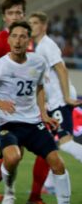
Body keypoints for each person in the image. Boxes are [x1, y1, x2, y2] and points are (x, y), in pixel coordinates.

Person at [0, 21, 82, 204]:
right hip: (7, 122)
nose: (18, 40)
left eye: (23, 36)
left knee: (58, 164)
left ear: (28, 41)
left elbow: (39, 86)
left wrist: (43, 113)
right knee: (13, 157)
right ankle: (9, 193)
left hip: (32, 123)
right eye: (14, 36)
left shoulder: (37, 62)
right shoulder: (0, 66)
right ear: (9, 39)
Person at [0, 0, 56, 204]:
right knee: (12, 156)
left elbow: (36, 82)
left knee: (42, 150)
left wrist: (43, 109)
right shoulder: (2, 39)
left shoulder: (27, 41)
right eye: (11, 13)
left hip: (27, 111)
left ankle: (32, 197)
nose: (15, 16)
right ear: (4, 17)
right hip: (8, 111)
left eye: (19, 13)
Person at [30, 11, 82, 189]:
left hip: (61, 100)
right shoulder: (37, 47)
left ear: (44, 26)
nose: (32, 26)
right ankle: (49, 185)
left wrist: (66, 97)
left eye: (35, 23)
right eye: (30, 23)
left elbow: (62, 69)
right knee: (49, 144)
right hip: (53, 101)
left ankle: (49, 184)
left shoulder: (47, 45)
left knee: (64, 143)